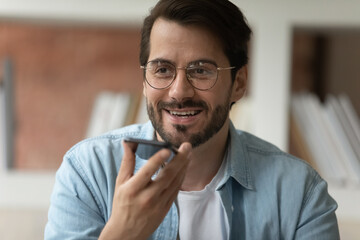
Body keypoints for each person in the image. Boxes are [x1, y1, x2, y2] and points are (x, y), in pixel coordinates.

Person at [45, 0, 340, 239]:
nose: (179, 92)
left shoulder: (300, 193)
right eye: (162, 69)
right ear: (145, 80)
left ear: (239, 82)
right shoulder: (87, 172)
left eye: (201, 70)